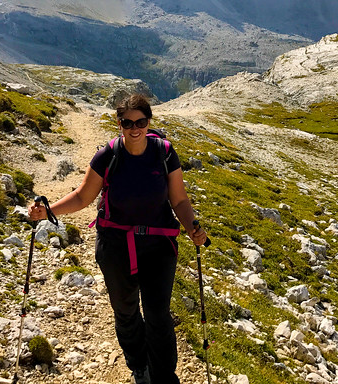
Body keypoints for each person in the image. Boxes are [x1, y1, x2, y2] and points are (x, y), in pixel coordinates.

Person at [28, 93, 208, 384]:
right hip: (115, 246)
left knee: (158, 313)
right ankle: (138, 365)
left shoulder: (164, 153)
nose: (134, 128)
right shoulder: (107, 156)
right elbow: (83, 196)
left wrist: (192, 227)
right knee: (125, 310)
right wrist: (48, 211)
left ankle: (163, 376)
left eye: (140, 122)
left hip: (159, 246)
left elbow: (180, 200)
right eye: (127, 122)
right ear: (119, 123)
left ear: (149, 121)